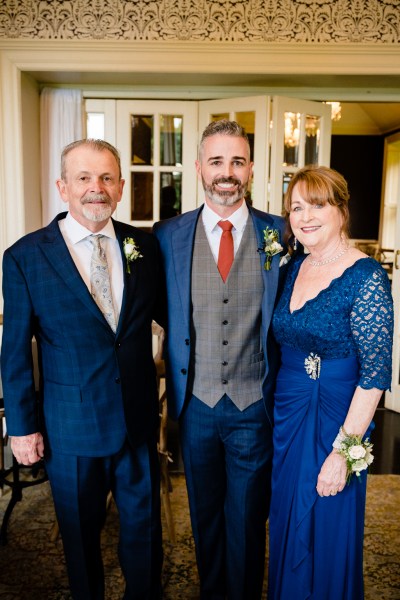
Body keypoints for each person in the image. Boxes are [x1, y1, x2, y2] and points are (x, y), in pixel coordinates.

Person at [1, 139, 164, 600]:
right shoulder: (25, 257)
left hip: (136, 423)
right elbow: (13, 350)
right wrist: (22, 427)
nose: (97, 188)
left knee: (144, 538)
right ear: (63, 187)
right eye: (85, 178)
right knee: (79, 541)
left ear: (121, 187)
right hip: (69, 429)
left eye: (107, 178)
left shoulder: (145, 247)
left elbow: (174, 318)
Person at [153, 119, 288, 599]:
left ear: (250, 168)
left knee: (249, 520)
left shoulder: (281, 233)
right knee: (205, 517)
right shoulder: (166, 236)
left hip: (255, 404)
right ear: (198, 168)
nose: (226, 172)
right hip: (195, 407)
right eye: (216, 161)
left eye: (236, 161)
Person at [268, 165, 393, 600]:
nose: (304, 216)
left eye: (316, 205)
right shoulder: (291, 269)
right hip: (287, 416)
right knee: (286, 518)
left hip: (337, 419)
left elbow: (375, 375)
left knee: (328, 520)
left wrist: (344, 451)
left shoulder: (367, 277)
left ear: (341, 209)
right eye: (296, 207)